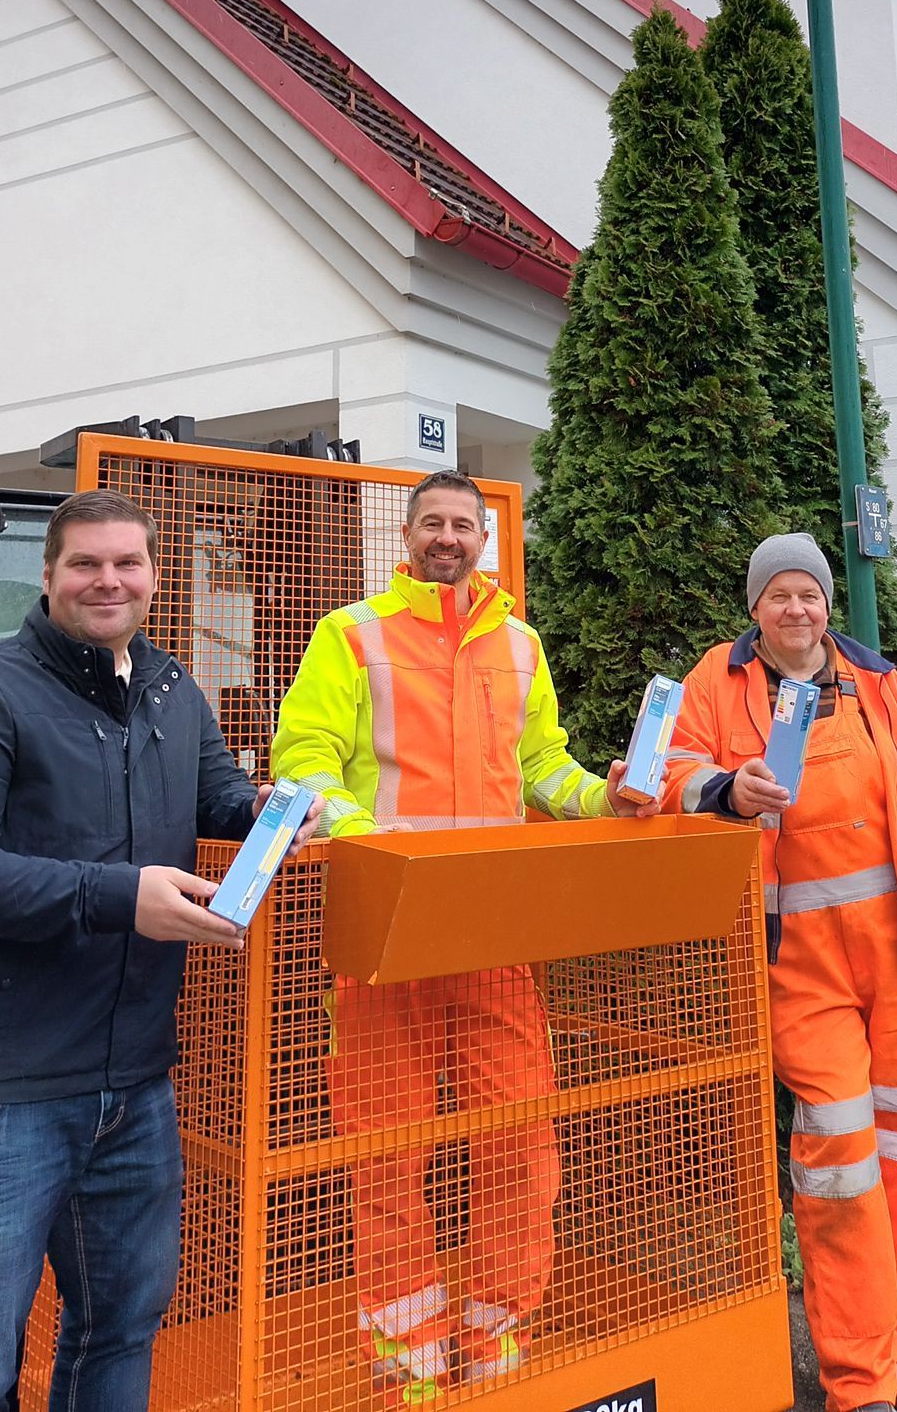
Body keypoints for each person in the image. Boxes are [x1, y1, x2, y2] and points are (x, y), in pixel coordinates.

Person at [0, 489, 319, 1412]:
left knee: (120, 1338)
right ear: (47, 577)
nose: (107, 580)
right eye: (85, 563)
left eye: (127, 563)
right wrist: (123, 897)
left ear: (156, 577)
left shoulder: (170, 690)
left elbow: (217, 795)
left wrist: (272, 813)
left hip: (131, 1088)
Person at [273, 469, 650, 1406]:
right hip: (384, 938)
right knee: (386, 1153)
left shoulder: (519, 644)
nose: (448, 537)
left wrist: (606, 798)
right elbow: (304, 761)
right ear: (406, 536)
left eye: (463, 525)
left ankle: (495, 1340)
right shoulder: (349, 635)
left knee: (520, 1139)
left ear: (485, 537)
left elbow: (543, 768)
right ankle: (412, 1363)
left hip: (492, 935)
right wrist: (374, 842)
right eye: (432, 523)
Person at [659, 533, 897, 1412]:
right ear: (754, 608)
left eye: (810, 595)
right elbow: (665, 773)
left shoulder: (876, 682)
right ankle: (860, 1382)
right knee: (839, 1158)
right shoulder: (714, 684)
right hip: (799, 966)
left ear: (827, 605)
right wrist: (726, 789)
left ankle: (882, 1336)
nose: (796, 610)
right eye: (779, 596)